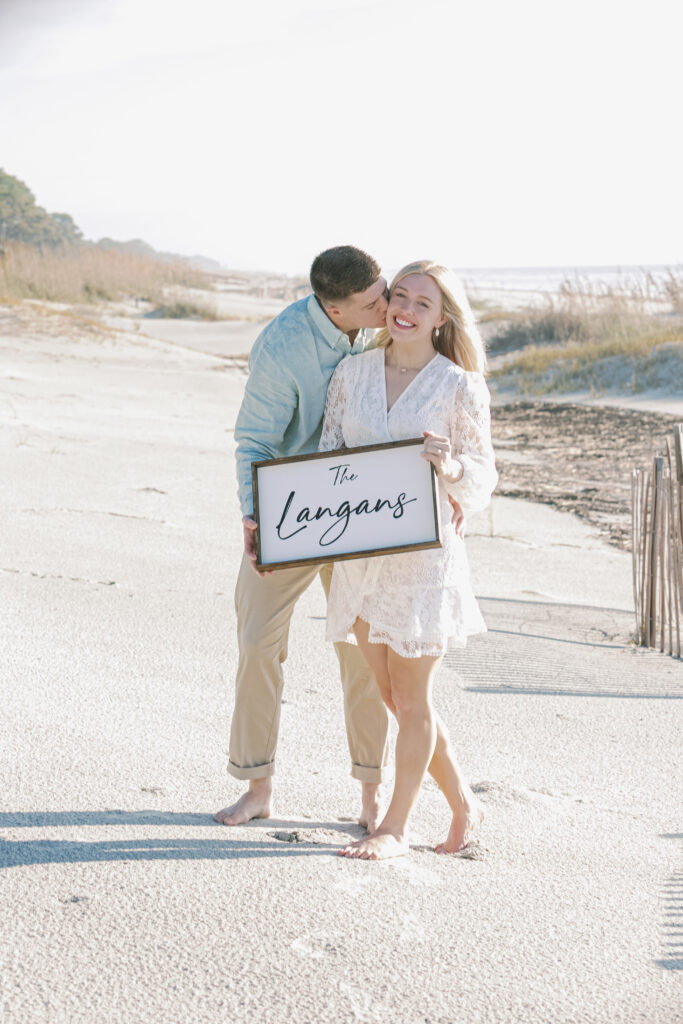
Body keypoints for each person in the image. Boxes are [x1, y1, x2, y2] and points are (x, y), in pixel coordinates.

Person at [318, 260, 498, 860]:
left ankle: (395, 826)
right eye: (401, 296)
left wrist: (449, 468)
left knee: (414, 697)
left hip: (424, 561)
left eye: (424, 302)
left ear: (441, 317)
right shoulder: (352, 372)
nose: (408, 309)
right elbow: (329, 456)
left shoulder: (458, 386)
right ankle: (466, 805)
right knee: (392, 696)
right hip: (360, 558)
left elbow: (483, 474)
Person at [214, 246, 393, 831]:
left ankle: (371, 794)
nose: (388, 305)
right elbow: (255, 440)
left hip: (362, 511)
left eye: (384, 290)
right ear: (336, 310)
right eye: (373, 302)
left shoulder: (384, 326)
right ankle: (257, 785)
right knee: (258, 642)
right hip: (290, 511)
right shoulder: (282, 346)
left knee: (366, 655)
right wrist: (253, 517)